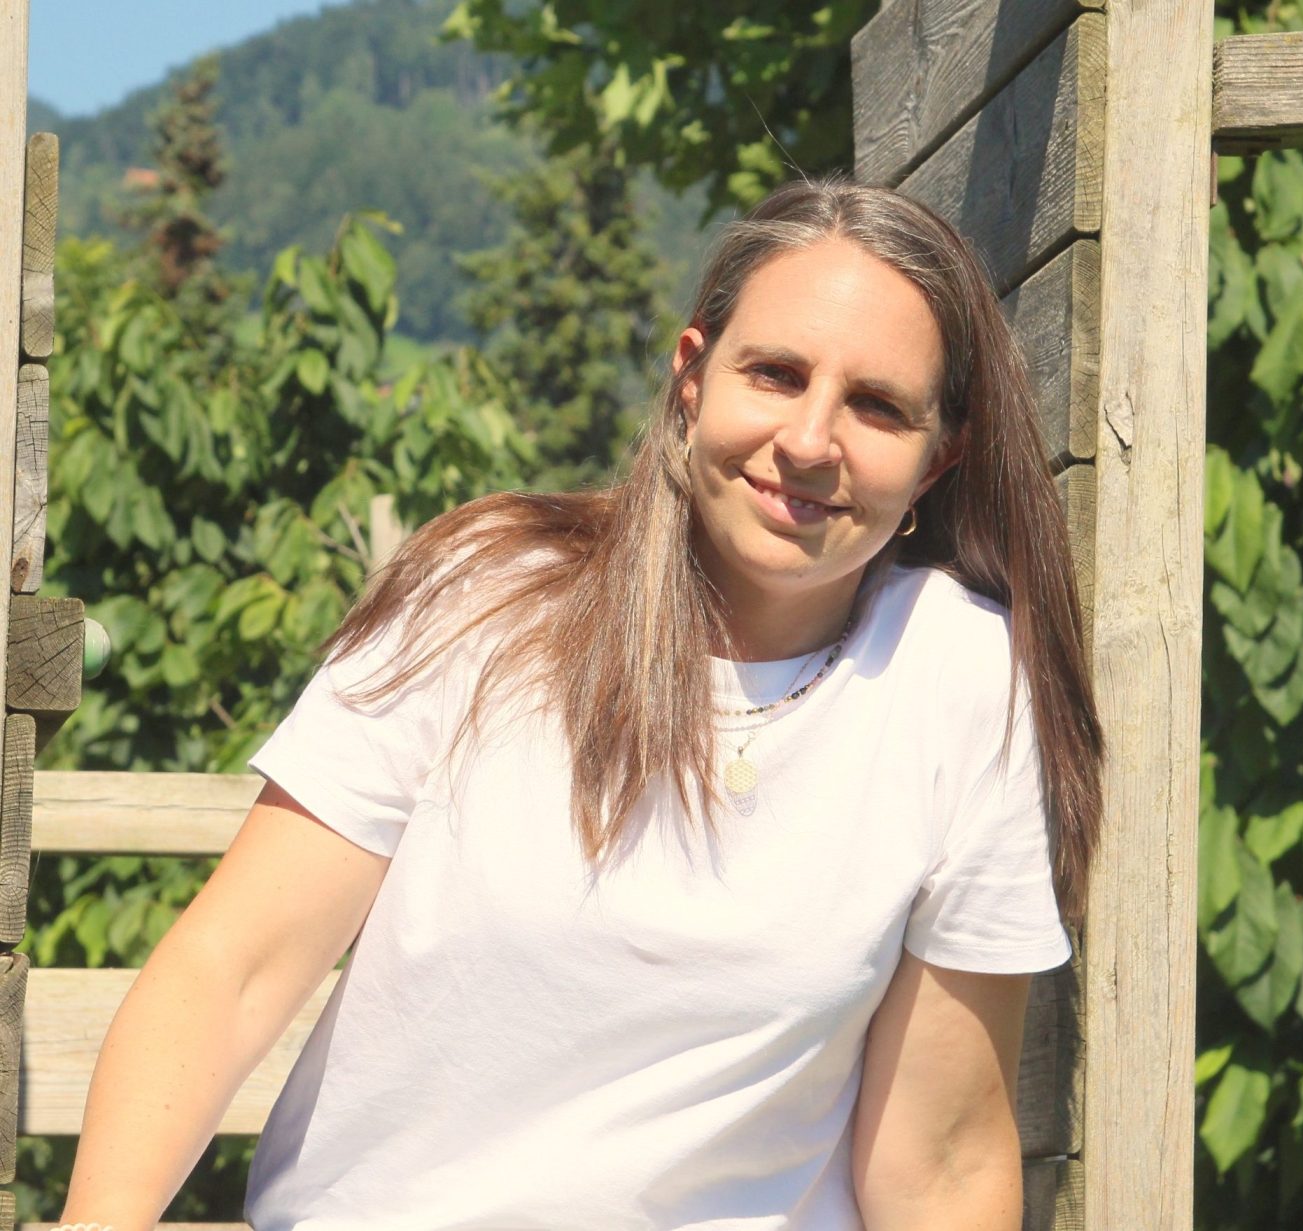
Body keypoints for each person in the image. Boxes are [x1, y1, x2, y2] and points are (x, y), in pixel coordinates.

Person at [55, 178, 1103, 1231]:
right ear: (691, 379)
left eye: (876, 405)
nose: (810, 439)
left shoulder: (963, 682)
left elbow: (939, 1163)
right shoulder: (483, 597)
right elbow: (232, 972)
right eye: (776, 374)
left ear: (938, 456)